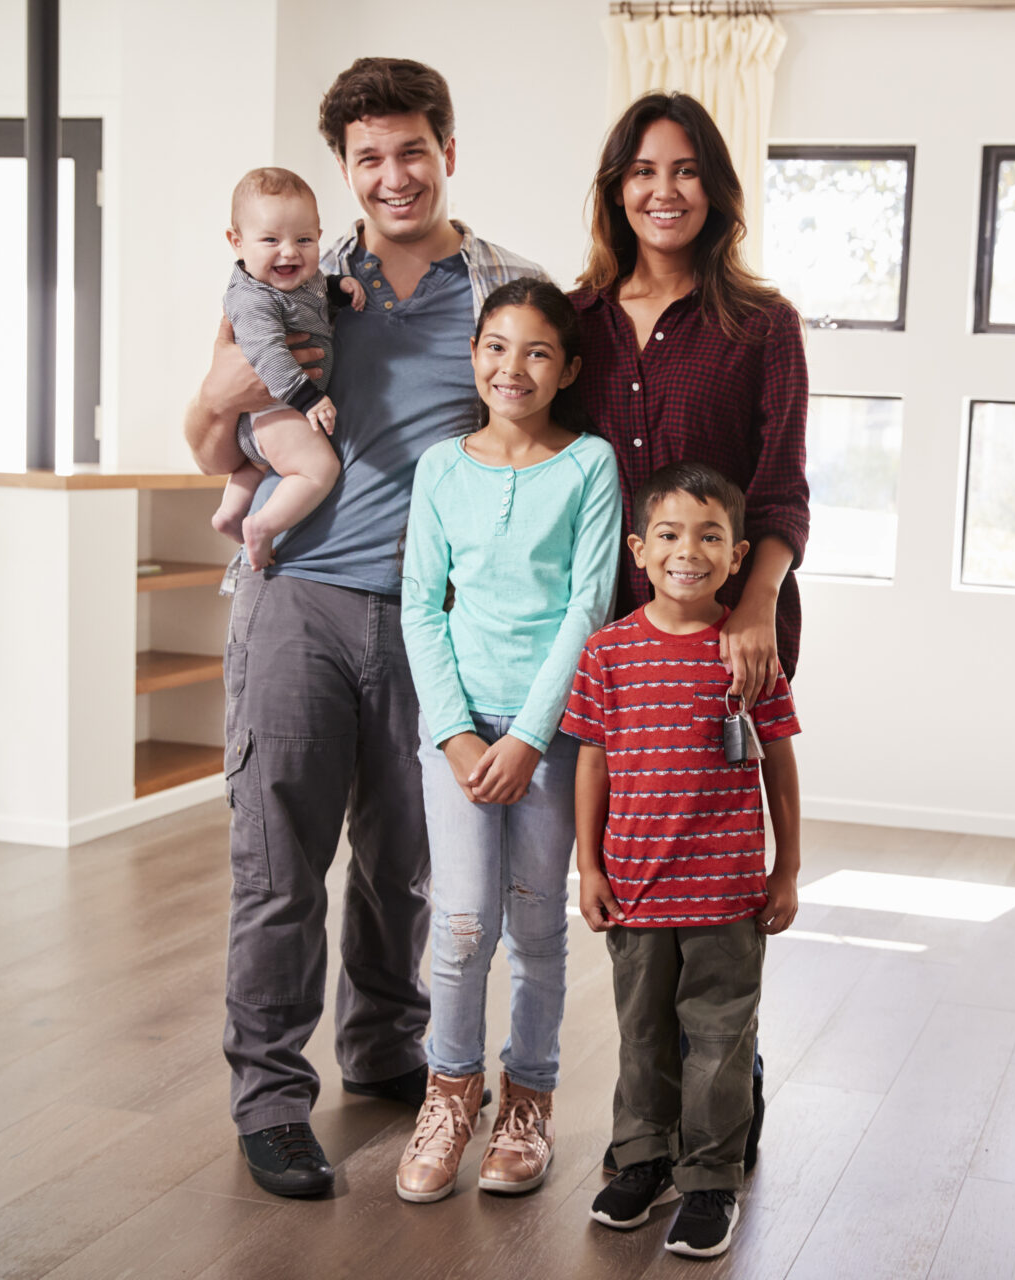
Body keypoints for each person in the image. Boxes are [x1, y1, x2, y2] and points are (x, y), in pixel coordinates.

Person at [181, 57, 542, 1200]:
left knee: (409, 865)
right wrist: (218, 405)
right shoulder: (291, 275)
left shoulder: (505, 291)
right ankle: (272, 1102)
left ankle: (385, 1049)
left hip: (435, 624)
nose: (394, 175)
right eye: (369, 158)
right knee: (279, 864)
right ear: (344, 171)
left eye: (413, 150)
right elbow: (209, 433)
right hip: (297, 604)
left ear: (448, 149)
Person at [571, 89, 809, 1175]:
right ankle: (647, 1122)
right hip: (609, 637)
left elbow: (782, 492)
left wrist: (753, 607)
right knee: (632, 874)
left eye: (685, 170)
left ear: (714, 189)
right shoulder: (574, 320)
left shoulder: (762, 324)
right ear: (617, 188)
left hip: (729, 628)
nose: (662, 191)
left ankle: (728, 1072)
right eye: (642, 171)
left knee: (715, 873)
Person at [392, 279, 620, 1203]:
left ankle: (528, 1102)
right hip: (456, 732)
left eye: (535, 352)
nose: (511, 367)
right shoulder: (441, 467)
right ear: (474, 355)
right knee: (459, 923)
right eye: (495, 346)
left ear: (567, 368)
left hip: (552, 735)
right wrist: (452, 734)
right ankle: (449, 1095)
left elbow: (588, 609)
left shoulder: (590, 464)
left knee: (535, 926)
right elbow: (420, 606)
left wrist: (530, 737)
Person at [565, 462, 802, 1259]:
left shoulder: (748, 653)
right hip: (635, 891)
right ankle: (642, 1160)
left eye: (709, 536)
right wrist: (589, 868)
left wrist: (788, 867)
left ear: (737, 556)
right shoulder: (607, 653)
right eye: (668, 534)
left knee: (720, 1042)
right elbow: (591, 761)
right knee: (641, 1038)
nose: (687, 551)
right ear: (640, 549)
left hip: (728, 896)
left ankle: (709, 1180)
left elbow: (778, 759)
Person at [208, 167, 367, 571]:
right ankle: (260, 527)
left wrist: (337, 290)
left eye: (304, 239)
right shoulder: (251, 299)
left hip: (271, 417)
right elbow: (268, 354)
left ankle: (230, 514)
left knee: (260, 464)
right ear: (236, 242)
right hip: (280, 406)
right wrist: (308, 399)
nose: (290, 252)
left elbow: (310, 296)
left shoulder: (299, 279)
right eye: (270, 240)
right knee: (319, 469)